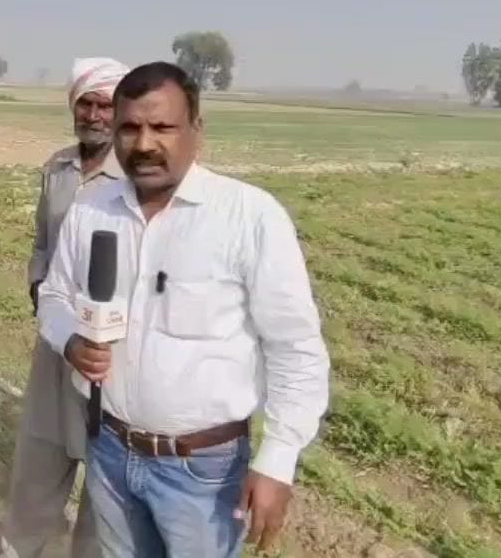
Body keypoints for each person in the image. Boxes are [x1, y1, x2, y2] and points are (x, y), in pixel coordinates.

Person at [36, 61, 331, 556]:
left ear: (197, 131)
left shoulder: (249, 217)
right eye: (129, 128)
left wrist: (278, 460)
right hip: (109, 452)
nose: (145, 143)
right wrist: (70, 341)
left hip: (203, 473)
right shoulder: (92, 210)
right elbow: (54, 297)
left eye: (163, 127)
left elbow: (295, 348)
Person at [0, 57, 128, 558]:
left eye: (105, 106)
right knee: (41, 448)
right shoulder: (57, 168)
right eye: (86, 104)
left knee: (105, 463)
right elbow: (41, 245)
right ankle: (19, 546)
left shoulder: (131, 179)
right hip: (55, 338)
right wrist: (38, 289)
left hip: (108, 350)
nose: (94, 115)